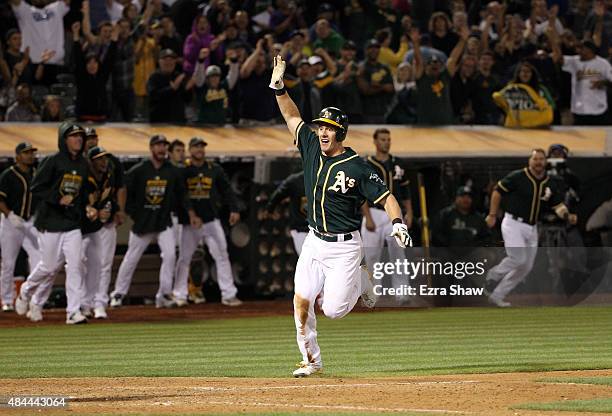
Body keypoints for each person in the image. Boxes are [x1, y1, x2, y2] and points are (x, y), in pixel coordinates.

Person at [270, 54, 412, 377]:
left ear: (341, 132)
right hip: (314, 241)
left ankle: (363, 279)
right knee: (301, 303)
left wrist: (398, 223)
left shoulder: (358, 166)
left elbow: (387, 197)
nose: (322, 131)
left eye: (329, 128)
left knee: (332, 310)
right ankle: (312, 361)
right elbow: (292, 117)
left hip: (346, 247)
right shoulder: (308, 143)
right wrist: (279, 87)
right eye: (320, 125)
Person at [15, 123, 96, 324]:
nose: (78, 139)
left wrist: (88, 206)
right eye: (73, 136)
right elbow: (36, 188)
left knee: (75, 264)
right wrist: (57, 199)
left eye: (80, 136)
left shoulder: (84, 164)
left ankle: (73, 312)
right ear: (63, 139)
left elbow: (84, 191)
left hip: (72, 222)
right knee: (49, 267)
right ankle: (26, 290)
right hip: (50, 221)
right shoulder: (52, 161)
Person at [110, 134, 195, 309]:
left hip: (163, 222)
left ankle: (164, 294)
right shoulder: (140, 170)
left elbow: (182, 194)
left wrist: (191, 213)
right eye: (158, 145)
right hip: (143, 223)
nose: (162, 149)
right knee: (131, 258)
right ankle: (118, 293)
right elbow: (124, 188)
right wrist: (129, 211)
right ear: (151, 148)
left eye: (164, 146)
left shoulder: (171, 170)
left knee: (170, 256)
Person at [485, 149, 577, 307]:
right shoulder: (518, 176)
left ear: (545, 162)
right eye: (535, 159)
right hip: (513, 222)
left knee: (526, 266)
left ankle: (497, 295)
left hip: (532, 226)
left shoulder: (549, 182)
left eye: (541, 159)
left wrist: (568, 216)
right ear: (530, 161)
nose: (538, 162)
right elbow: (497, 191)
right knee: (517, 258)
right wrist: (492, 214)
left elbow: (557, 205)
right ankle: (491, 275)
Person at [174, 137, 243, 307]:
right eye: (196, 147)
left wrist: (234, 209)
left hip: (211, 220)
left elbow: (227, 190)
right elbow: (182, 195)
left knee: (222, 255)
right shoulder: (184, 170)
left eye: (202, 147)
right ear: (190, 150)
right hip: (191, 223)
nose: (200, 150)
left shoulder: (214, 169)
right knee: (184, 258)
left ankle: (228, 294)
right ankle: (180, 294)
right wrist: (190, 214)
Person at [81, 128, 126, 319]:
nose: (91, 141)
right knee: (80, 263)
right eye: (88, 138)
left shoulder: (111, 163)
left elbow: (120, 187)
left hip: (105, 220)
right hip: (83, 224)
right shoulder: (76, 164)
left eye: (94, 138)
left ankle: (99, 302)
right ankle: (83, 302)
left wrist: (119, 210)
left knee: (105, 263)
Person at [361, 128, 413, 277]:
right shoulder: (366, 163)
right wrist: (367, 217)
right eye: (383, 139)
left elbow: (405, 190)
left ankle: (402, 292)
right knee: (371, 255)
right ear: (375, 141)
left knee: (398, 253)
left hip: (395, 213)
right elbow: (361, 194)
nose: (386, 142)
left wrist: (409, 212)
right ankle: (372, 292)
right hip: (374, 212)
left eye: (388, 139)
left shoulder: (398, 163)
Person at [0, 142, 40, 313]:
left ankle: (34, 298)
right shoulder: (8, 175)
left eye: (31, 152)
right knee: (8, 263)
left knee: (39, 260)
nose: (30, 155)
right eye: (26, 153)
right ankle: (7, 300)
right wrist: (9, 214)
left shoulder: (37, 173)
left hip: (31, 222)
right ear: (17, 156)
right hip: (12, 222)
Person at [412, 26, 467, 125]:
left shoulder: (445, 77)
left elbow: (453, 59)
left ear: (441, 65)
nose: (434, 65)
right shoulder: (422, 78)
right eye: (431, 63)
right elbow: (419, 61)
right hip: (425, 123)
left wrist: (463, 40)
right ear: (426, 66)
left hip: (445, 122)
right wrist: (415, 43)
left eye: (437, 63)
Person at [551, 38, 612, 125]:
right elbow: (558, 58)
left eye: (581, 48)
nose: (577, 50)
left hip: (598, 110)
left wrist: (603, 82)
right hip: (579, 110)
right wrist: (552, 40)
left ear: (590, 50)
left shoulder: (603, 63)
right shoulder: (574, 61)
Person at [72, 21, 118, 122]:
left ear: (98, 65)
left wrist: (114, 39)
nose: (92, 65)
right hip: (83, 117)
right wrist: (75, 34)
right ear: (86, 65)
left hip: (100, 118)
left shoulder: (102, 75)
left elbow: (110, 58)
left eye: (94, 63)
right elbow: (78, 57)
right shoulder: (81, 76)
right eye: (89, 63)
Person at [492, 61, 554, 128]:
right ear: (518, 74)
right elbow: (499, 99)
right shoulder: (511, 88)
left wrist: (540, 104)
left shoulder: (541, 89)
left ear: (532, 74)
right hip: (515, 127)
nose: (525, 73)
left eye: (528, 71)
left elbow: (552, 105)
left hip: (536, 127)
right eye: (523, 71)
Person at [266, 170, 308, 255]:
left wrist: (269, 209)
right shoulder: (326, 177)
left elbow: (277, 195)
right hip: (322, 231)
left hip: (301, 229)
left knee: (306, 263)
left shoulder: (294, 180)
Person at [147, 49, 194, 123]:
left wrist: (188, 89)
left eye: (171, 60)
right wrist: (172, 89)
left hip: (178, 122)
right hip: (159, 123)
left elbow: (187, 99)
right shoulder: (154, 77)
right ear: (159, 61)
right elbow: (153, 96)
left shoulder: (179, 76)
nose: (168, 62)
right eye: (165, 59)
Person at [356, 39, 394, 124]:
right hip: (366, 112)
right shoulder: (361, 68)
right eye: (371, 48)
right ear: (366, 50)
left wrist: (376, 86)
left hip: (383, 111)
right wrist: (383, 87)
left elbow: (391, 88)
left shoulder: (385, 68)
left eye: (376, 48)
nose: (374, 50)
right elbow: (365, 90)